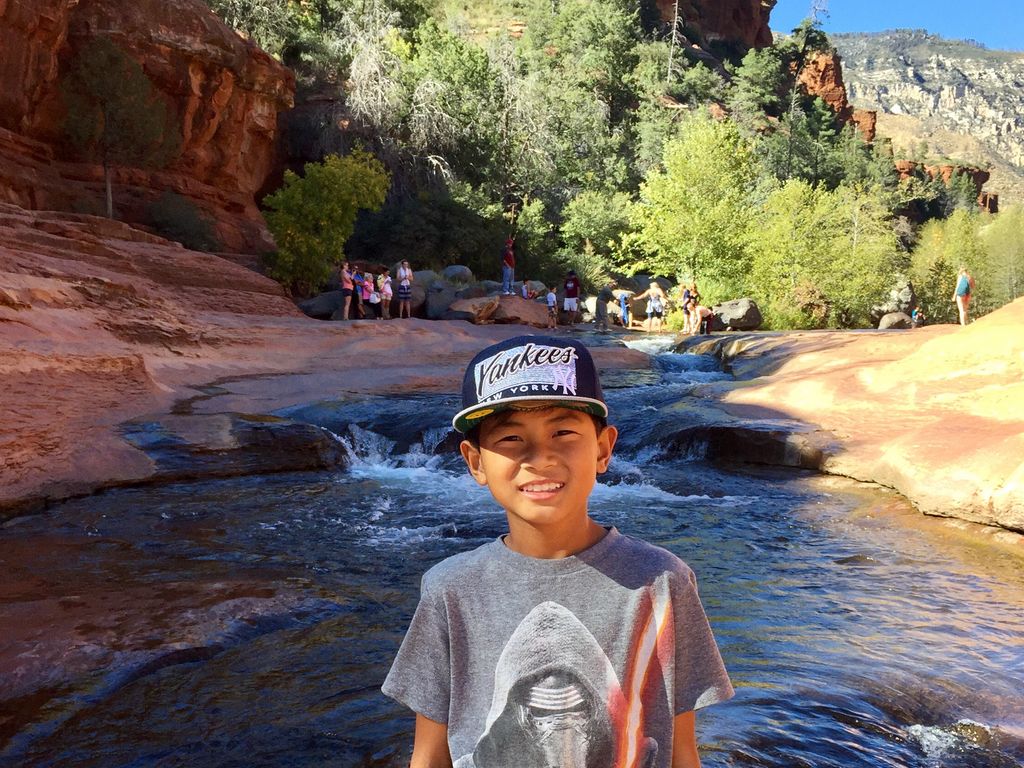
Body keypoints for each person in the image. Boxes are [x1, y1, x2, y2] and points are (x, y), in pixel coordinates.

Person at [382, 336, 734, 768]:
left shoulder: (663, 582)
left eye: (563, 432)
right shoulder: (449, 590)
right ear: (475, 462)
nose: (540, 457)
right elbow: (429, 756)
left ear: (603, 449)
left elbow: (682, 753)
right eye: (511, 437)